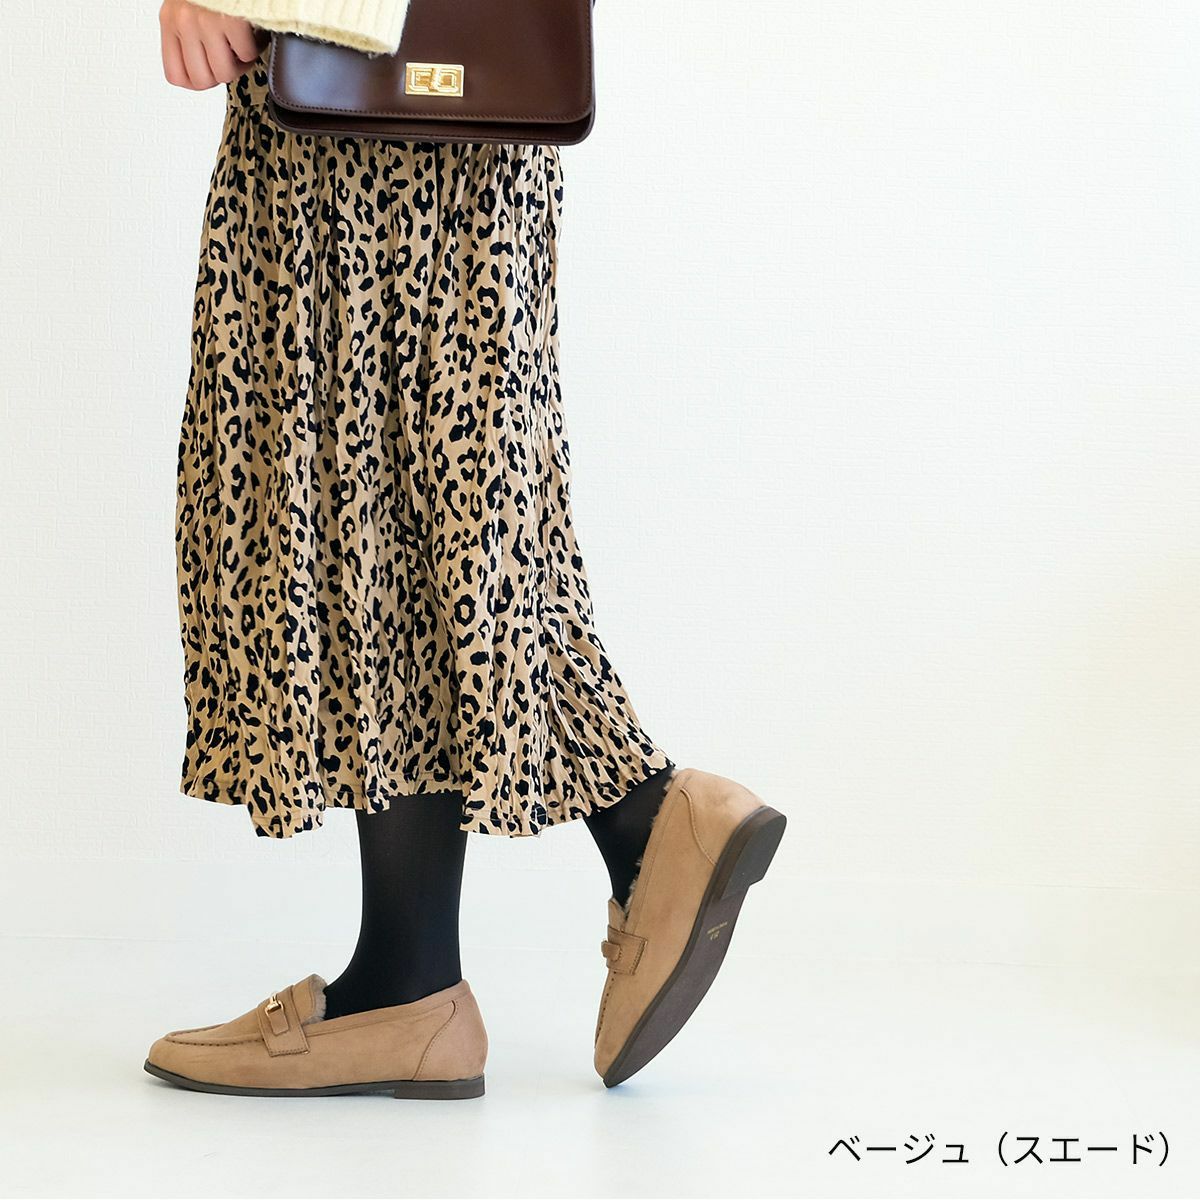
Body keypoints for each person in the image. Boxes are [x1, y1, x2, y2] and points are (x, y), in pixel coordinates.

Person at [145, 0, 786, 1099]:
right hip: (467, 95)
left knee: (370, 497)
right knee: (426, 509)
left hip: (356, 94)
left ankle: (631, 824)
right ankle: (420, 971)